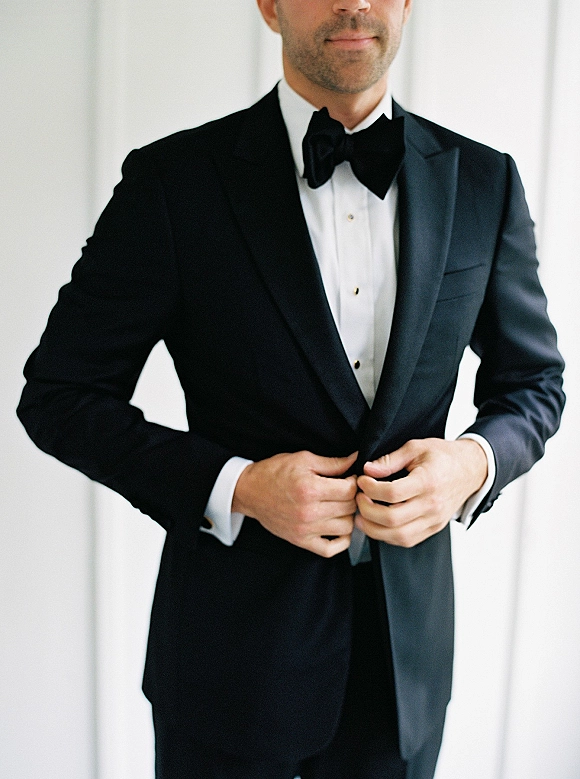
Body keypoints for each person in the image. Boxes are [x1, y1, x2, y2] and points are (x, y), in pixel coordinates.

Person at [18, 0, 565, 776]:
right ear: (270, 4)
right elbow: (60, 394)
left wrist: (470, 467)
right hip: (225, 674)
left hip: (403, 678)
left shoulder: (485, 182)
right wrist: (235, 487)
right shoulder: (173, 183)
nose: (354, 3)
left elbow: (534, 382)